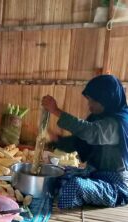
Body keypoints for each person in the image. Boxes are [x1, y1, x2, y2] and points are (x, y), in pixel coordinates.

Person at [42, 75, 128, 209]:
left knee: (76, 186)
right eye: (89, 100)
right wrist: (57, 141)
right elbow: (80, 142)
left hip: (115, 185)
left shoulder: (118, 124)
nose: (89, 105)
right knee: (57, 174)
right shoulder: (98, 118)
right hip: (93, 174)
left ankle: (62, 212)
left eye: (93, 101)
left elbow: (91, 133)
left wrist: (56, 111)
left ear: (106, 100)